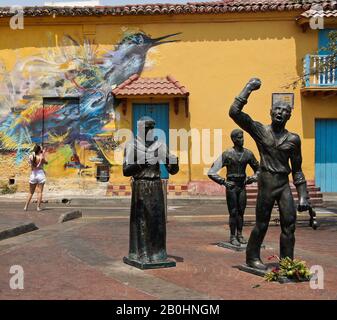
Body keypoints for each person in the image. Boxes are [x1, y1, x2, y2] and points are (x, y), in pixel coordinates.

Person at [229, 78, 310, 270]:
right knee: (262, 224)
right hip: (266, 182)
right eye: (277, 110)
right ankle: (252, 257)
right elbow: (234, 112)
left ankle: (287, 263)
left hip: (283, 185)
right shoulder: (260, 130)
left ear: (289, 116)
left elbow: (297, 170)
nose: (281, 113)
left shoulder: (293, 139)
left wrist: (304, 196)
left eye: (285, 111)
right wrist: (248, 88)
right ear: (271, 113)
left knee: (289, 225)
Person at [123, 116, 179, 267]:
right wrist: (142, 163)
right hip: (140, 186)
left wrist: (174, 162)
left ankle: (158, 253)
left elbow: (172, 170)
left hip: (156, 186)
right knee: (142, 220)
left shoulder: (160, 145)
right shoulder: (132, 146)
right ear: (140, 128)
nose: (149, 130)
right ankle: (142, 253)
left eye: (151, 128)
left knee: (157, 221)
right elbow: (126, 170)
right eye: (146, 128)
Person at [208, 129, 259, 246]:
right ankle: (232, 236)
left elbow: (259, 169)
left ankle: (240, 234)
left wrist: (252, 178)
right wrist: (223, 182)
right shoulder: (227, 154)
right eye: (239, 138)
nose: (242, 140)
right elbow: (211, 172)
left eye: (243, 137)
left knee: (241, 211)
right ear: (234, 139)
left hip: (242, 185)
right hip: (231, 186)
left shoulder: (248, 154)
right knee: (233, 212)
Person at [24, 144, 48, 212]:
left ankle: (26, 206)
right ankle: (38, 207)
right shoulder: (41, 157)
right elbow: (46, 162)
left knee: (31, 192)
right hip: (40, 174)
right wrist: (43, 154)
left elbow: (30, 163)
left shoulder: (31, 156)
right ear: (39, 150)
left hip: (33, 174)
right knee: (40, 192)